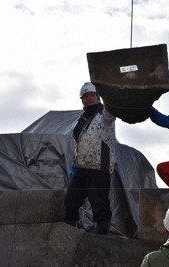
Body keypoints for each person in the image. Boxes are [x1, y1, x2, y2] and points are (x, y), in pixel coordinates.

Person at [64, 82, 117, 235]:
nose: (89, 99)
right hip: (82, 167)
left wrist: (109, 90)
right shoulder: (81, 120)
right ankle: (68, 228)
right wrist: (75, 165)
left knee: (98, 201)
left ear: (98, 97)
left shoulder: (105, 114)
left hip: (99, 167)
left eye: (92, 95)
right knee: (71, 201)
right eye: (85, 96)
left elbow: (112, 110)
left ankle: (102, 230)